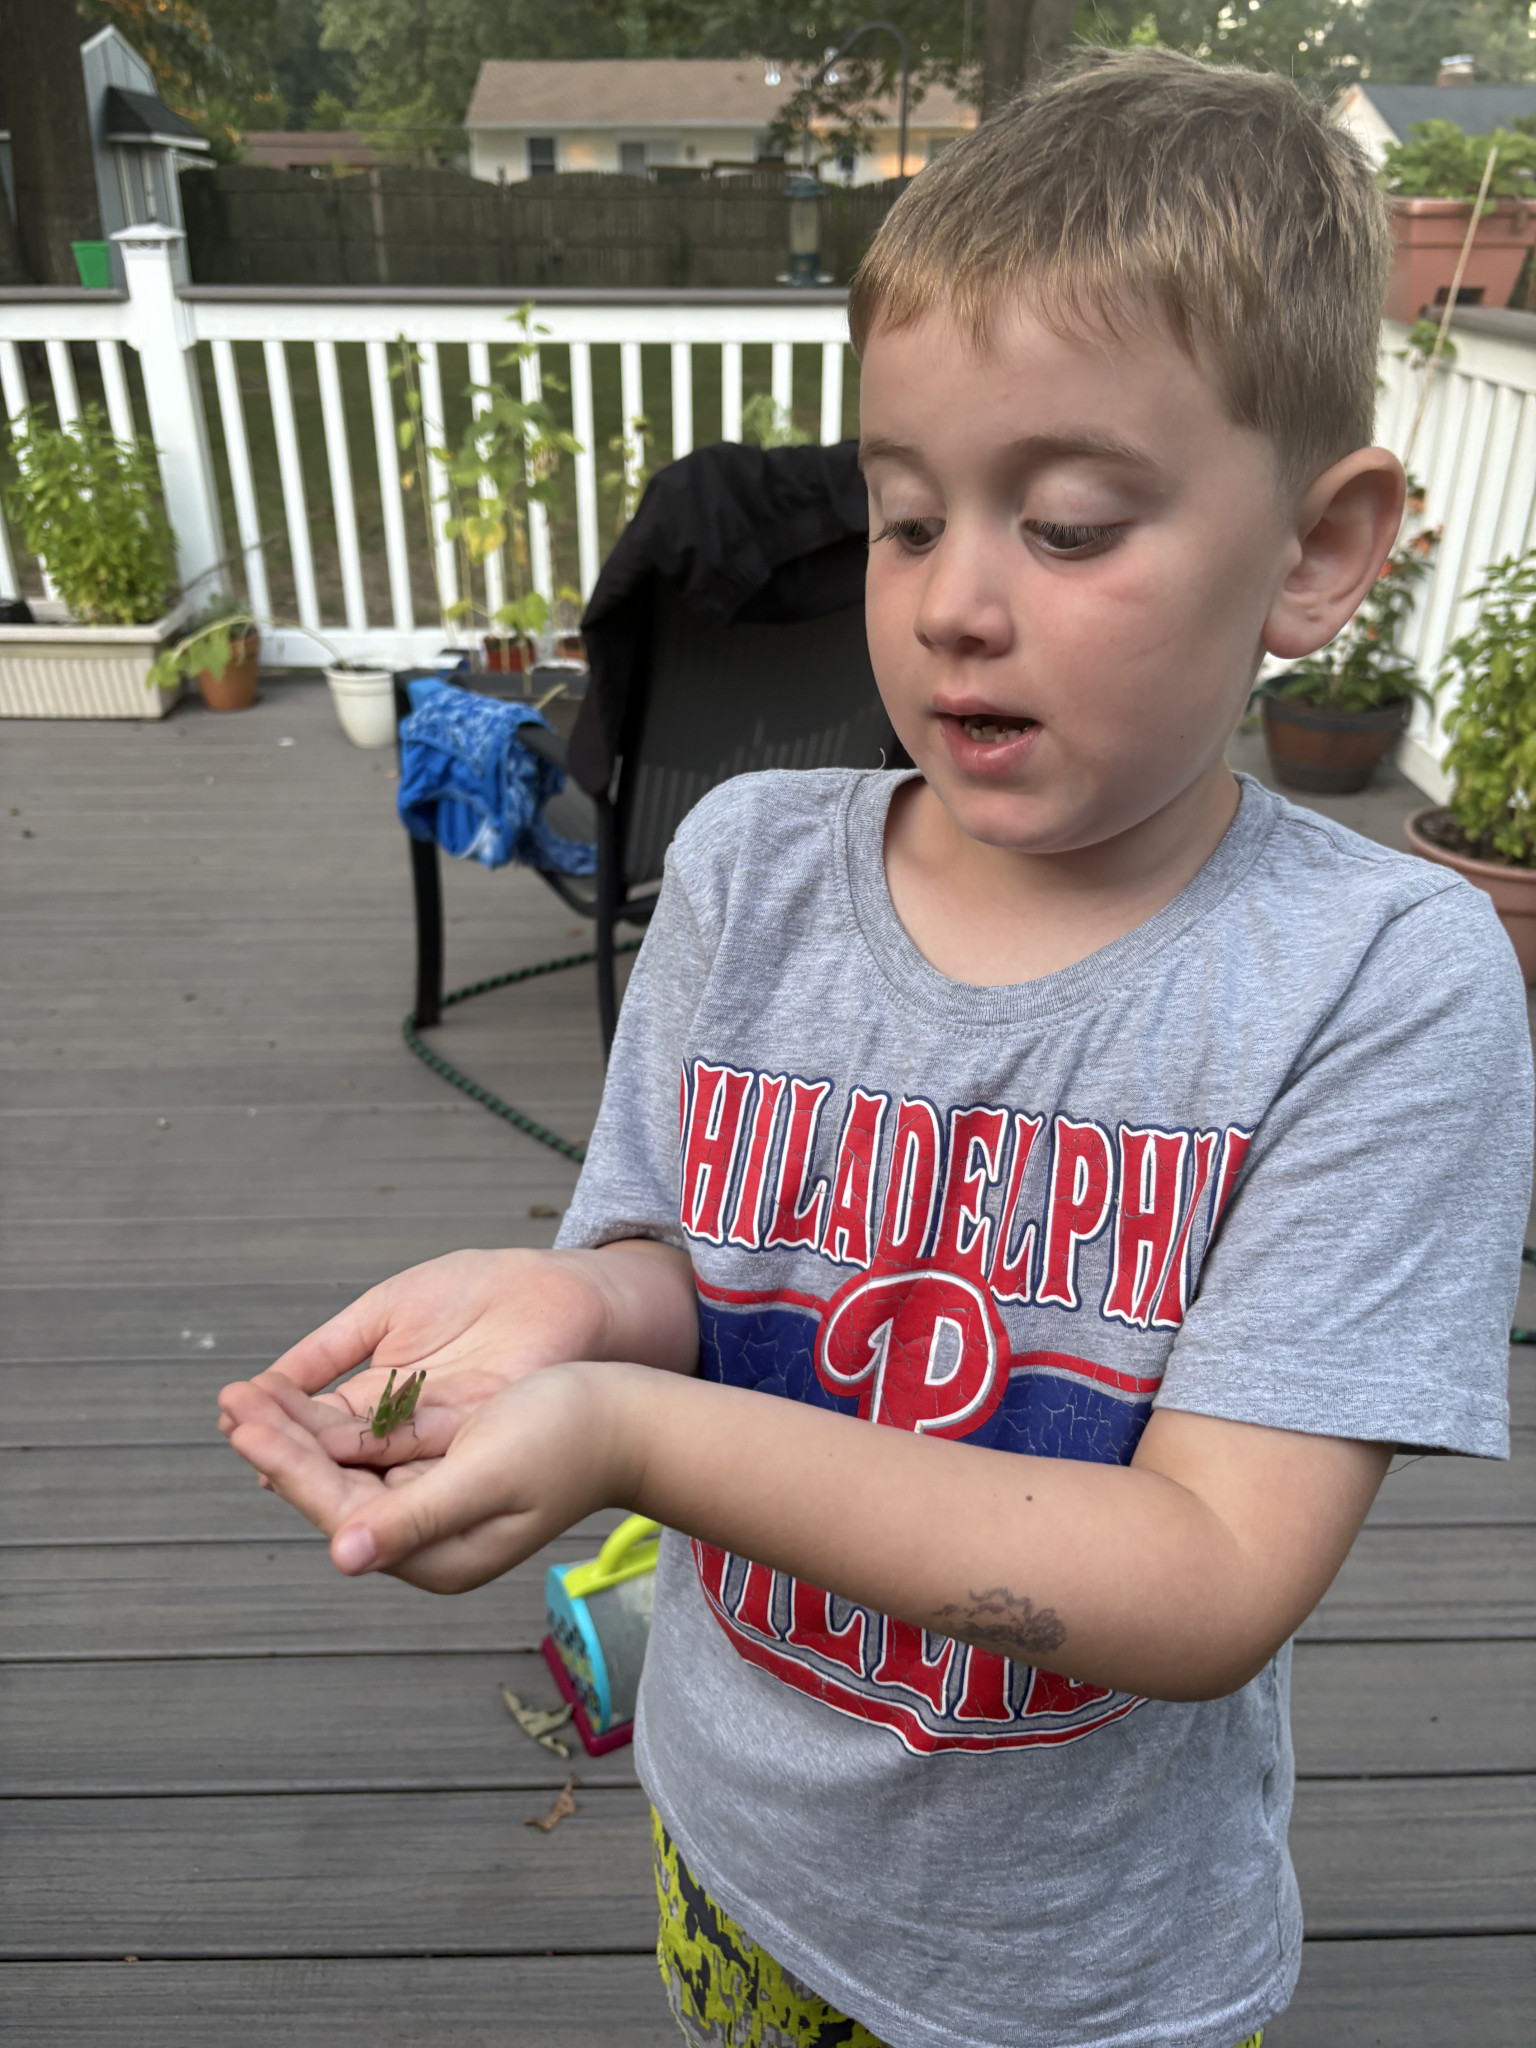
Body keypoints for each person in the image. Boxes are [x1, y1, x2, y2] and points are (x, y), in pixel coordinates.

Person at [218, 48, 1532, 2048]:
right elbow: (689, 1273)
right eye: (906, 520)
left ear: (1319, 547)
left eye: (1069, 526)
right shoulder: (751, 868)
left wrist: (630, 1438)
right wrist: (569, 1310)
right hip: (738, 1841)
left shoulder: (1379, 978)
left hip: (1085, 1973)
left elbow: (1204, 1576)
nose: (953, 607)